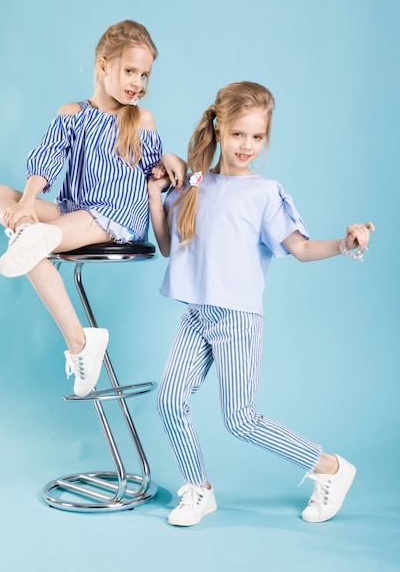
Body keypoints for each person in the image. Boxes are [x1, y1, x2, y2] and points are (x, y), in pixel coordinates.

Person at [148, 80, 374, 527]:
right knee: (170, 399)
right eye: (238, 134)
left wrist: (346, 244)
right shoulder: (194, 184)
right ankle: (199, 489)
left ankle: (330, 467)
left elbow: (302, 249)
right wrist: (156, 194)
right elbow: (167, 248)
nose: (247, 145)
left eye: (257, 136)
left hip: (238, 319)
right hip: (197, 313)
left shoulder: (265, 192)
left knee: (240, 418)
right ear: (219, 128)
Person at [0, 19, 185, 398]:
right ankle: (79, 338)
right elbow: (46, 159)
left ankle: (78, 344)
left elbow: (157, 171)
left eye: (144, 75)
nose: (138, 83)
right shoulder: (73, 113)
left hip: (116, 215)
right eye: (130, 71)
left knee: (34, 241)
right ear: (103, 65)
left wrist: (174, 159)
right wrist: (26, 204)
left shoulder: (141, 119)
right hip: (72, 210)